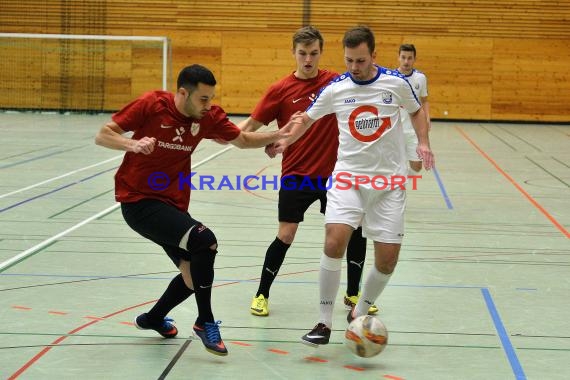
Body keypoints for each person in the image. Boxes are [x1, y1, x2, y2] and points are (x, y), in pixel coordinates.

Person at [94, 64, 292, 356]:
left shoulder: (207, 116)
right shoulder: (152, 105)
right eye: (203, 98)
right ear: (183, 93)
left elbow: (242, 139)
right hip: (138, 202)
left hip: (172, 205)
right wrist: (133, 144)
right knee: (204, 239)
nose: (208, 105)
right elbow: (103, 134)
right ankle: (205, 321)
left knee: (192, 276)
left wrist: (281, 134)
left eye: (211, 98)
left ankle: (153, 318)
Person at [273, 26, 434, 346]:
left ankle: (358, 313)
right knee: (334, 242)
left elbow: (417, 112)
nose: (354, 67)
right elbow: (306, 119)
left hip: (389, 184)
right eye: (348, 61)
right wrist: (283, 140)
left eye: (360, 60)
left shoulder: (396, 83)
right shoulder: (336, 89)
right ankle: (322, 322)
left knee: (387, 259)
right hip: (348, 178)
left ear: (373, 55)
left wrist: (423, 143)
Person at [239, 26, 377, 317]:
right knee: (286, 235)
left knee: (354, 232)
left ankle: (353, 295)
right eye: (302, 53)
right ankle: (262, 293)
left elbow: (368, 77)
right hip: (296, 174)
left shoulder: (334, 83)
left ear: (321, 53)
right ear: (293, 53)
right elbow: (248, 129)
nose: (308, 59)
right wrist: (255, 138)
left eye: (313, 53)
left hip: (336, 176)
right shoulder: (279, 90)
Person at [396, 44, 431, 174]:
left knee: (417, 166)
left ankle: (402, 177)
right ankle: (397, 185)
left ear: (414, 59)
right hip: (395, 129)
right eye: (403, 57)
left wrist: (427, 118)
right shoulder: (392, 78)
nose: (406, 61)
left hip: (413, 130)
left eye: (409, 58)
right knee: (395, 164)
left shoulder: (420, 78)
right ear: (398, 58)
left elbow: (425, 100)